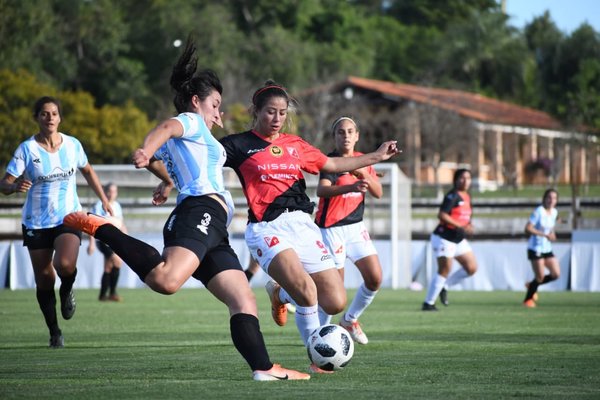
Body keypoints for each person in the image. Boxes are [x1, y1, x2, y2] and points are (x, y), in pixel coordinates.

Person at [63, 38, 309, 381]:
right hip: (199, 212)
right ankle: (103, 227)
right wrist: (145, 150)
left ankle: (264, 368)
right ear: (197, 102)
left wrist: (164, 180)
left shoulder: (200, 136)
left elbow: (169, 162)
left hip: (215, 226)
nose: (218, 112)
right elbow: (166, 128)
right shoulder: (191, 121)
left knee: (243, 298)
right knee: (166, 280)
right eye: (215, 104)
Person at [220, 81, 400, 373]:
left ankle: (280, 293)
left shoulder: (296, 145)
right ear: (256, 112)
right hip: (268, 228)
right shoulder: (238, 144)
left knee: (335, 301)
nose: (276, 118)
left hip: (304, 225)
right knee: (306, 291)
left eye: (281, 113)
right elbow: (202, 158)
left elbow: (330, 164)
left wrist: (377, 156)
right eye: (270, 112)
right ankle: (316, 358)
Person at [0, 96, 112, 348]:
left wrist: (103, 199)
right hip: (36, 222)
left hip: (69, 215)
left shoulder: (72, 145)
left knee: (64, 264)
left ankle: (67, 289)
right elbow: (4, 183)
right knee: (43, 279)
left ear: (60, 117)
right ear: (36, 118)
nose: (49, 118)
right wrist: (14, 185)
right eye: (44, 114)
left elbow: (88, 171)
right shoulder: (26, 149)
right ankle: (54, 332)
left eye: (53, 113)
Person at [314, 116, 383, 345]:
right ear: (334, 137)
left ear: (357, 136)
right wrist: (351, 186)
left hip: (355, 228)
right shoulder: (330, 162)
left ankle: (350, 320)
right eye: (341, 132)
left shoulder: (364, 160)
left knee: (375, 278)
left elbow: (378, 192)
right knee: (334, 293)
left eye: (350, 132)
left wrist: (363, 175)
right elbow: (321, 192)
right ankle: (320, 336)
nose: (345, 136)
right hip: (331, 230)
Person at [422, 168, 478, 311]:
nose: (465, 181)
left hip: (458, 239)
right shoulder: (452, 196)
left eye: (468, 178)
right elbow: (442, 215)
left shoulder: (467, 196)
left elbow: (465, 218)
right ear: (456, 180)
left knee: (471, 268)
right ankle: (428, 303)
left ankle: (444, 286)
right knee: (445, 269)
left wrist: (469, 226)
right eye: (462, 178)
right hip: (444, 237)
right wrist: (461, 226)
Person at [87, 182, 126, 302]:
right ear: (105, 192)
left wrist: (127, 239)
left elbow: (121, 224)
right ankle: (112, 293)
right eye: (110, 191)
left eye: (114, 191)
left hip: (115, 240)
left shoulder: (117, 206)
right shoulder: (99, 205)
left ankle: (103, 295)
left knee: (108, 267)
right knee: (117, 262)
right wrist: (92, 243)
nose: (111, 194)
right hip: (103, 241)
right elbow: (91, 224)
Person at [523, 188, 561, 308]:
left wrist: (552, 234)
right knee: (539, 277)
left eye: (554, 198)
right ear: (544, 199)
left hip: (547, 248)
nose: (551, 200)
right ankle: (528, 300)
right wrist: (544, 235)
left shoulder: (554, 212)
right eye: (549, 197)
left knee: (556, 274)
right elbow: (528, 228)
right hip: (535, 248)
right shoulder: (539, 211)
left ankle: (532, 285)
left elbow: (551, 228)